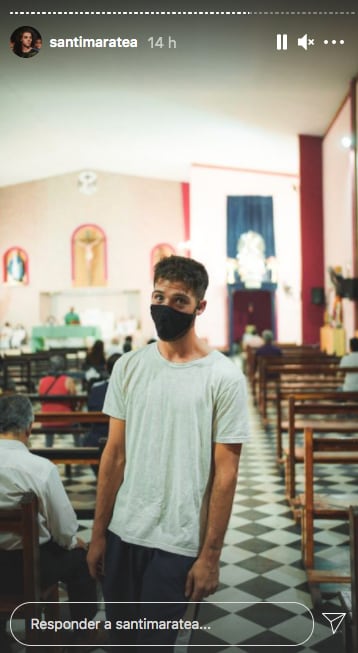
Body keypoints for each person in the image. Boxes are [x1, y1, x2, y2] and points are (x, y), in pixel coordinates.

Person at [87, 255, 249, 651]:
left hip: (177, 540)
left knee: (152, 645)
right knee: (122, 644)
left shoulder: (222, 376)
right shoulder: (128, 367)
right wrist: (97, 534)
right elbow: (114, 457)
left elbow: (225, 475)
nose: (166, 307)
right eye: (159, 296)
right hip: (123, 532)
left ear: (200, 307)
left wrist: (210, 556)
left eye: (180, 301)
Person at [0, 394, 99, 646]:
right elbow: (64, 529)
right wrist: (71, 541)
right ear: (29, 427)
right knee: (81, 560)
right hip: (28, 567)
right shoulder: (40, 468)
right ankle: (82, 634)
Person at [83, 353, 121, 476]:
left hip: (96, 439)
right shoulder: (131, 390)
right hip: (122, 440)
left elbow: (89, 412)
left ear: (106, 368)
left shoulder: (96, 389)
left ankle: (100, 478)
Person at [38, 355, 77, 447]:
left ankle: (48, 446)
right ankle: (78, 446)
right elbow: (74, 400)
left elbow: (41, 400)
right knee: (77, 423)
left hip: (46, 420)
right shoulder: (68, 380)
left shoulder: (42, 381)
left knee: (48, 419)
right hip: (65, 420)